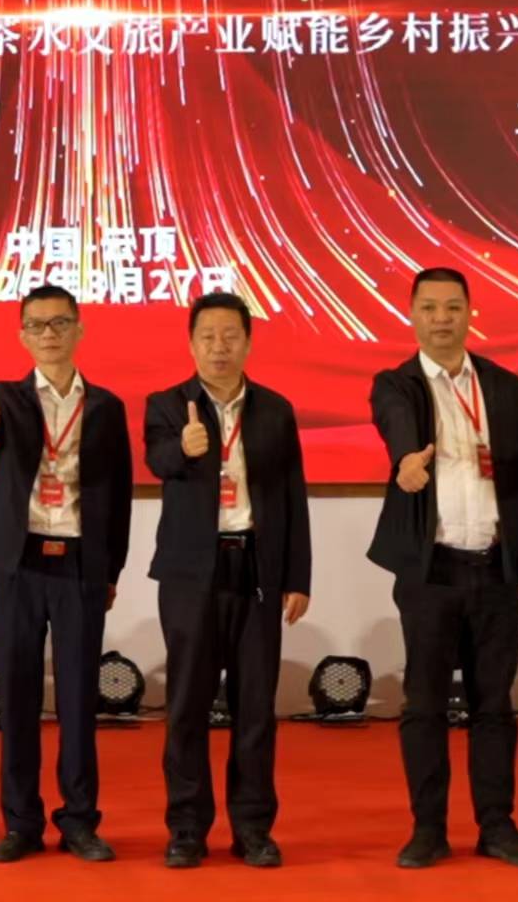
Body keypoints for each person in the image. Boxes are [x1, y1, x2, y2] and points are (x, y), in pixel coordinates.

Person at [367, 266, 518, 871]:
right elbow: (396, 426)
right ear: (412, 315)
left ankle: (497, 826)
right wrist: (406, 462)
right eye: (429, 308)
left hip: (495, 569)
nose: (441, 318)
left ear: (471, 313)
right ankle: (428, 829)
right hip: (431, 572)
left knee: (493, 704)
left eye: (452, 307)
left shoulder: (504, 386)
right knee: (424, 705)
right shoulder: (397, 384)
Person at [0, 284, 133, 864]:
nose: (49, 334)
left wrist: (111, 569)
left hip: (80, 564)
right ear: (22, 336)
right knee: (16, 695)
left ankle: (80, 821)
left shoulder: (106, 406)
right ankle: (21, 823)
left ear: (79, 329)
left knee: (80, 698)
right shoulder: (6, 397)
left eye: (60, 323)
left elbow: (119, 491)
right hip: (19, 562)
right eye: (37, 325)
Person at [142, 292, 310, 870]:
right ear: (191, 344)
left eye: (230, 336)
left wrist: (297, 576)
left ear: (248, 342)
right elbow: (157, 460)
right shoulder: (168, 405)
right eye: (208, 336)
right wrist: (184, 450)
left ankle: (253, 828)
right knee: (187, 705)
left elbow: (292, 496)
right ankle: (187, 828)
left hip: (256, 569)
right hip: (191, 574)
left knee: (255, 707)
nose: (219, 347)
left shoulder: (275, 410)